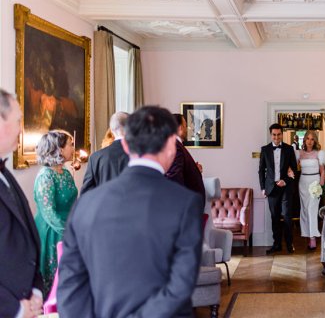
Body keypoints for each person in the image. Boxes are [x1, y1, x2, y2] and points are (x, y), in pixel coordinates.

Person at [58, 106, 204, 317]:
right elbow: (181, 283)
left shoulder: (85, 204)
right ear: (172, 147)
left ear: (125, 145)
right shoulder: (184, 204)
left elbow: (70, 283)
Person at [0, 89, 43, 318]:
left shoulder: (5, 173)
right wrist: (14, 309)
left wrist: (36, 291)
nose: (21, 128)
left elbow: (26, 237)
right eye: (18, 120)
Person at [33, 130, 78, 296]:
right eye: (70, 145)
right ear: (59, 149)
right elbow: (49, 212)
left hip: (68, 226)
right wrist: (69, 233)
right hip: (52, 231)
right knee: (53, 278)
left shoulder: (65, 172)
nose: (73, 148)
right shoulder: (46, 176)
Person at [259, 123, 298, 254]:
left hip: (286, 188)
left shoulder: (289, 149)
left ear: (282, 134)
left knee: (287, 216)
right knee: (274, 217)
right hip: (271, 188)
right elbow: (261, 170)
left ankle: (289, 243)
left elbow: (295, 170)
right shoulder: (264, 150)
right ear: (271, 135)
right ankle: (276, 244)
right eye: (274, 135)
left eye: (279, 134)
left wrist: (285, 181)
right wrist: (263, 187)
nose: (276, 137)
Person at [80, 111, 129, 195]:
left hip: (104, 206)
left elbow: (86, 194)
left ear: (112, 130)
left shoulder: (95, 157)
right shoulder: (140, 155)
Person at [295, 130, 325, 250]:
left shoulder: (320, 154)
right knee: (304, 210)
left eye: (312, 139)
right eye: (307, 139)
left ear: (315, 141)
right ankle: (306, 234)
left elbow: (322, 171)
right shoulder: (299, 154)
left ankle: (313, 236)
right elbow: (291, 166)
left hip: (315, 181)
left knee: (312, 209)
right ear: (304, 140)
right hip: (303, 182)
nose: (309, 141)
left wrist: (321, 185)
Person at [165, 113, 205, 195]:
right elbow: (175, 177)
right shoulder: (175, 146)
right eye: (185, 126)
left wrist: (195, 170)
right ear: (180, 128)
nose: (187, 129)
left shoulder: (177, 145)